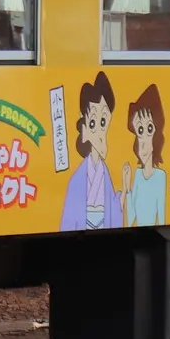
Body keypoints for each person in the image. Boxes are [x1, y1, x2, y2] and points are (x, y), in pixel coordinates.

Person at [61, 72, 123, 231]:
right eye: (93, 122)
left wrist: (123, 194)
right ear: (84, 127)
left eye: (103, 122)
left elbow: (112, 207)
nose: (100, 131)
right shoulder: (76, 179)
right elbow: (69, 220)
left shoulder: (104, 172)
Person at [121, 84, 169, 226]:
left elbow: (161, 216)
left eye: (149, 129)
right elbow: (130, 219)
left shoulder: (161, 177)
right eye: (139, 131)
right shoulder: (137, 176)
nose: (143, 142)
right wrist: (126, 184)